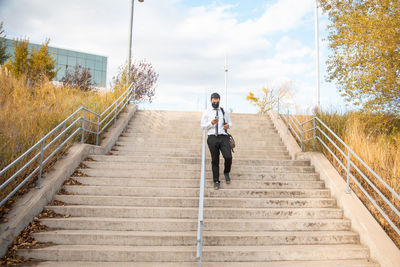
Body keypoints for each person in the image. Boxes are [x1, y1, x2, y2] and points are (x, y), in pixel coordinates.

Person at [201, 92, 233, 190]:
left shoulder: (223, 111)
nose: (216, 104)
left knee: (228, 156)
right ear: (211, 101)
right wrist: (211, 123)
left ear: (219, 100)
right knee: (215, 160)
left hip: (223, 136)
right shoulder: (207, 112)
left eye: (217, 102)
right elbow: (202, 125)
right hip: (212, 137)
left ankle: (226, 172)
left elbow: (230, 122)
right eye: (214, 102)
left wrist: (228, 125)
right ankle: (216, 181)